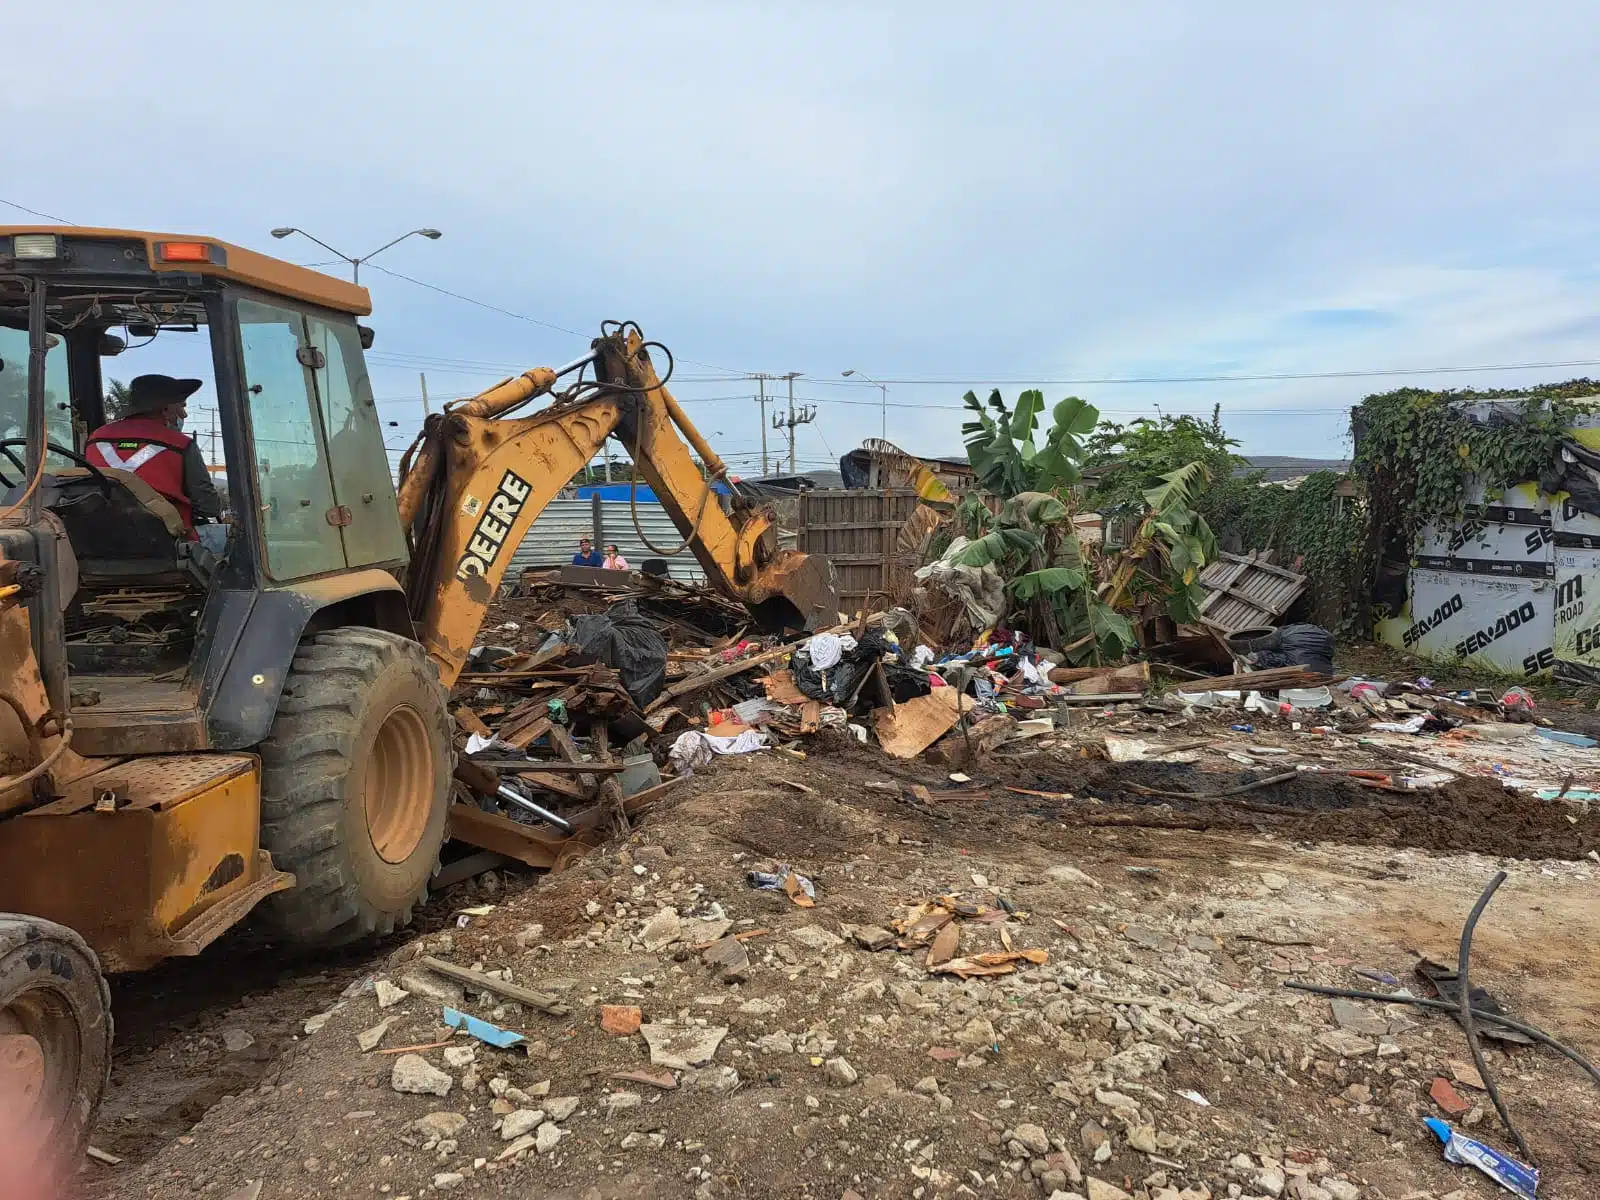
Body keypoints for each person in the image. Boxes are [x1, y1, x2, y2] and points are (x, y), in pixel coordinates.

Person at [85, 374, 225, 551]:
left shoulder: (95, 439)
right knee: (238, 540)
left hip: (101, 541)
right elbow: (209, 507)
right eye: (181, 406)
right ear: (164, 409)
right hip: (167, 543)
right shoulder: (180, 444)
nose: (184, 414)